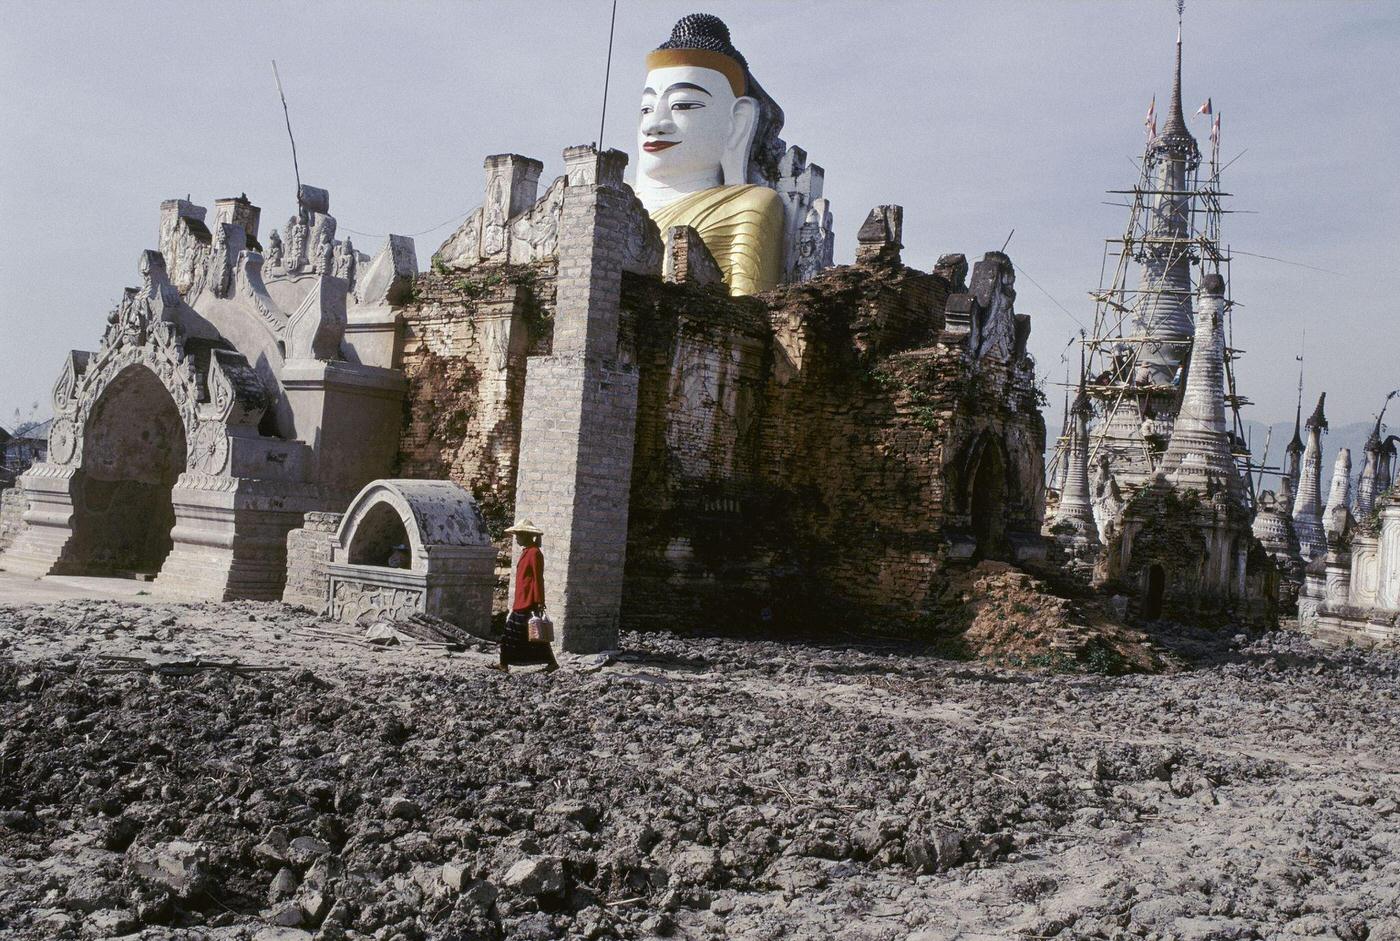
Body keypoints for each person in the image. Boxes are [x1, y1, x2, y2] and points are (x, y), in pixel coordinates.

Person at [492, 519, 558, 673]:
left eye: (519, 535)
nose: (516, 538)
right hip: (523, 599)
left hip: (528, 601)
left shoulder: (534, 553)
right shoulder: (527, 552)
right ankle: (550, 662)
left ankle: (504, 663)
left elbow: (537, 578)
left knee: (514, 633)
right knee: (531, 635)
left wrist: (539, 601)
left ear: (526, 535)